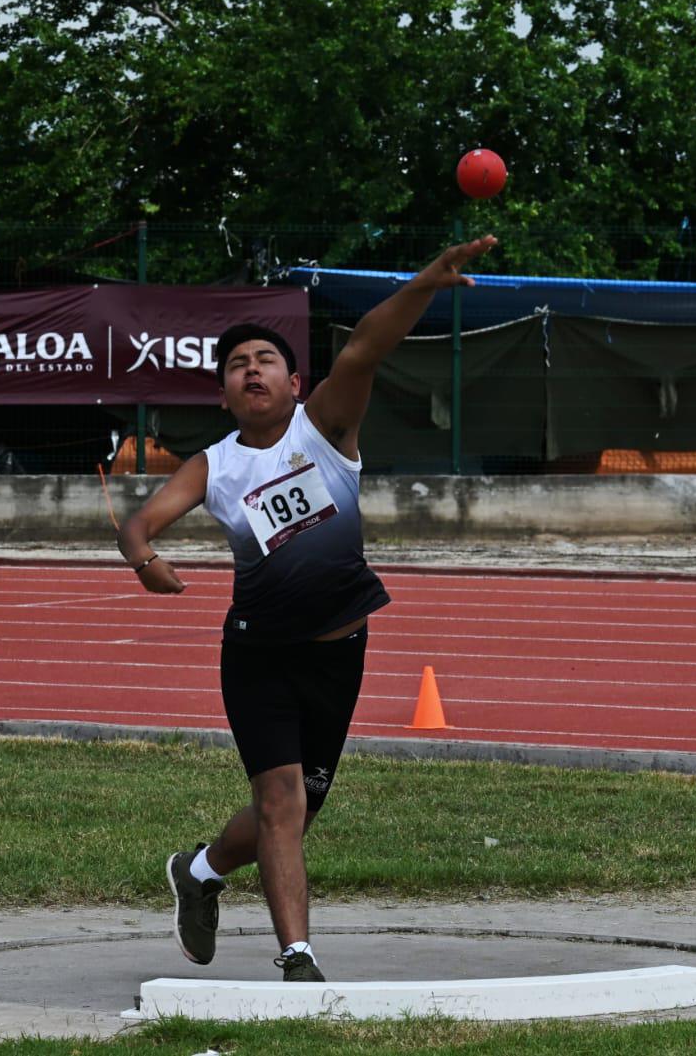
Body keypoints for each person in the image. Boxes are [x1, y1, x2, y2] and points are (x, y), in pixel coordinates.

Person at [116, 235, 497, 982]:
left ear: (295, 382)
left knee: (292, 813)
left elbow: (364, 348)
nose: (250, 369)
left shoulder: (325, 428)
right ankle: (298, 959)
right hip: (258, 654)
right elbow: (138, 523)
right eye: (236, 364)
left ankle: (199, 870)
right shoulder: (213, 465)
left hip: (338, 653)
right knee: (280, 803)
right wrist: (145, 561)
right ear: (223, 394)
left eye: (265, 359)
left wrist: (424, 283)